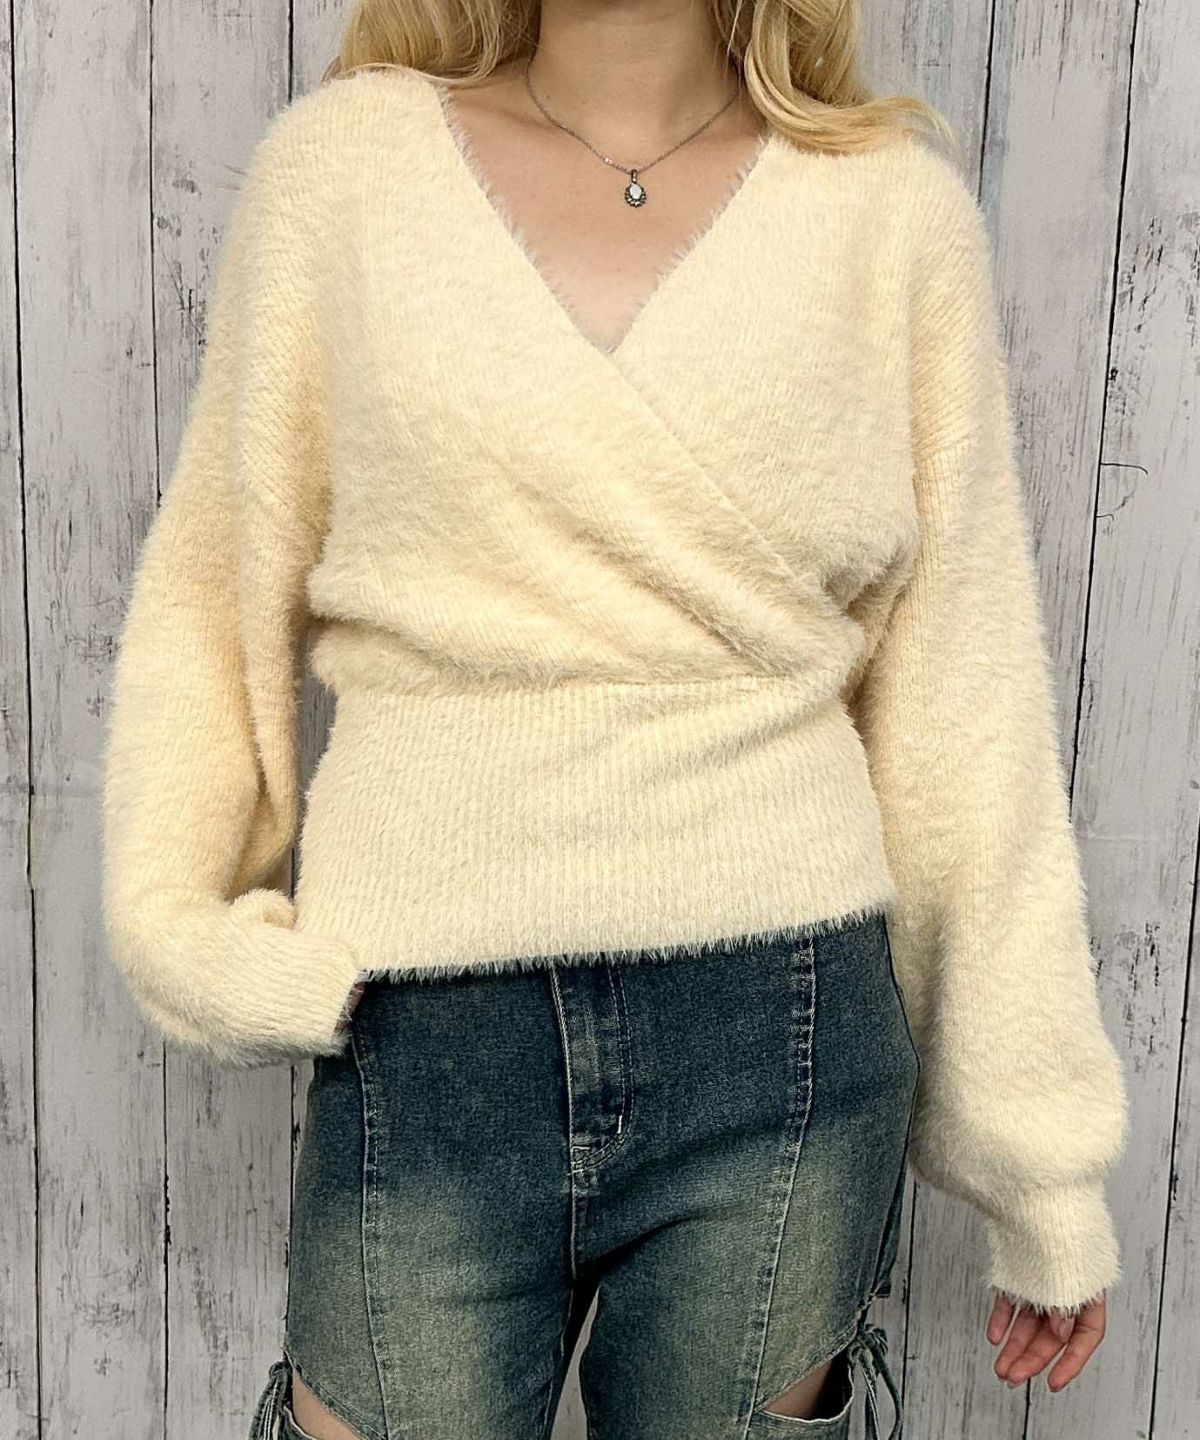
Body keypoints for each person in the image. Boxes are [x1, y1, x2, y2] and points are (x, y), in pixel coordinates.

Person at [99, 0, 1130, 1436]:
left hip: (781, 1036)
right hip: (425, 1028)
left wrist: (1041, 1164)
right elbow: (216, 592)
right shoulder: (343, 171)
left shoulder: (890, 214)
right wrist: (179, 924)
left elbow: (966, 700)